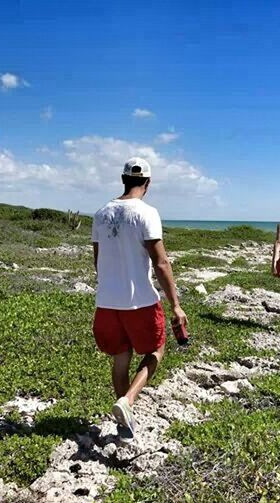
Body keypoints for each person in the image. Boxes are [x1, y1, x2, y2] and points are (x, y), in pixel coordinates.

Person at [91, 157, 188, 443]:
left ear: (123, 180)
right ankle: (127, 401)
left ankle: (124, 422)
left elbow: (98, 261)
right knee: (157, 350)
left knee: (120, 358)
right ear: (147, 183)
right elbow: (161, 263)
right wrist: (176, 305)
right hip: (141, 301)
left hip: (107, 302)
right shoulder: (147, 213)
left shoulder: (101, 213)